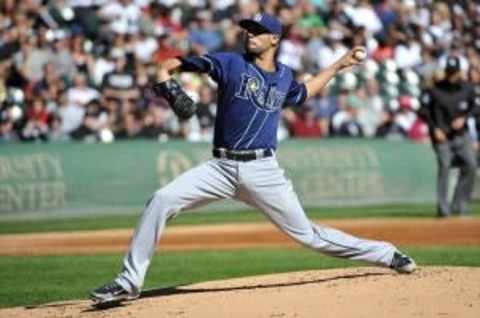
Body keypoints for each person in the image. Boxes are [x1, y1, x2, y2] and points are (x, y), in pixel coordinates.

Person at [91, 13, 416, 305]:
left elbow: (304, 92)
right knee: (161, 200)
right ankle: (128, 282)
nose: (250, 34)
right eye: (248, 29)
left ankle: (386, 253)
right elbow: (175, 64)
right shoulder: (230, 63)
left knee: (308, 236)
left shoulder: (285, 75)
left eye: (258, 30)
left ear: (275, 38)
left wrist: (337, 66)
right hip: (220, 167)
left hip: (263, 169)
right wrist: (166, 79)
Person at [419, 55, 479, 217]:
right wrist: (434, 129)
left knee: (471, 165)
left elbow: (476, 107)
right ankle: (443, 207)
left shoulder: (467, 89)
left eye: (455, 72)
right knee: (445, 166)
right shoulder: (433, 90)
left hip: (461, 135)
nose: (453, 75)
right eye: (450, 72)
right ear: (446, 72)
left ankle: (460, 204)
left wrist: (464, 118)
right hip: (441, 136)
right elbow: (423, 111)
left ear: (459, 72)